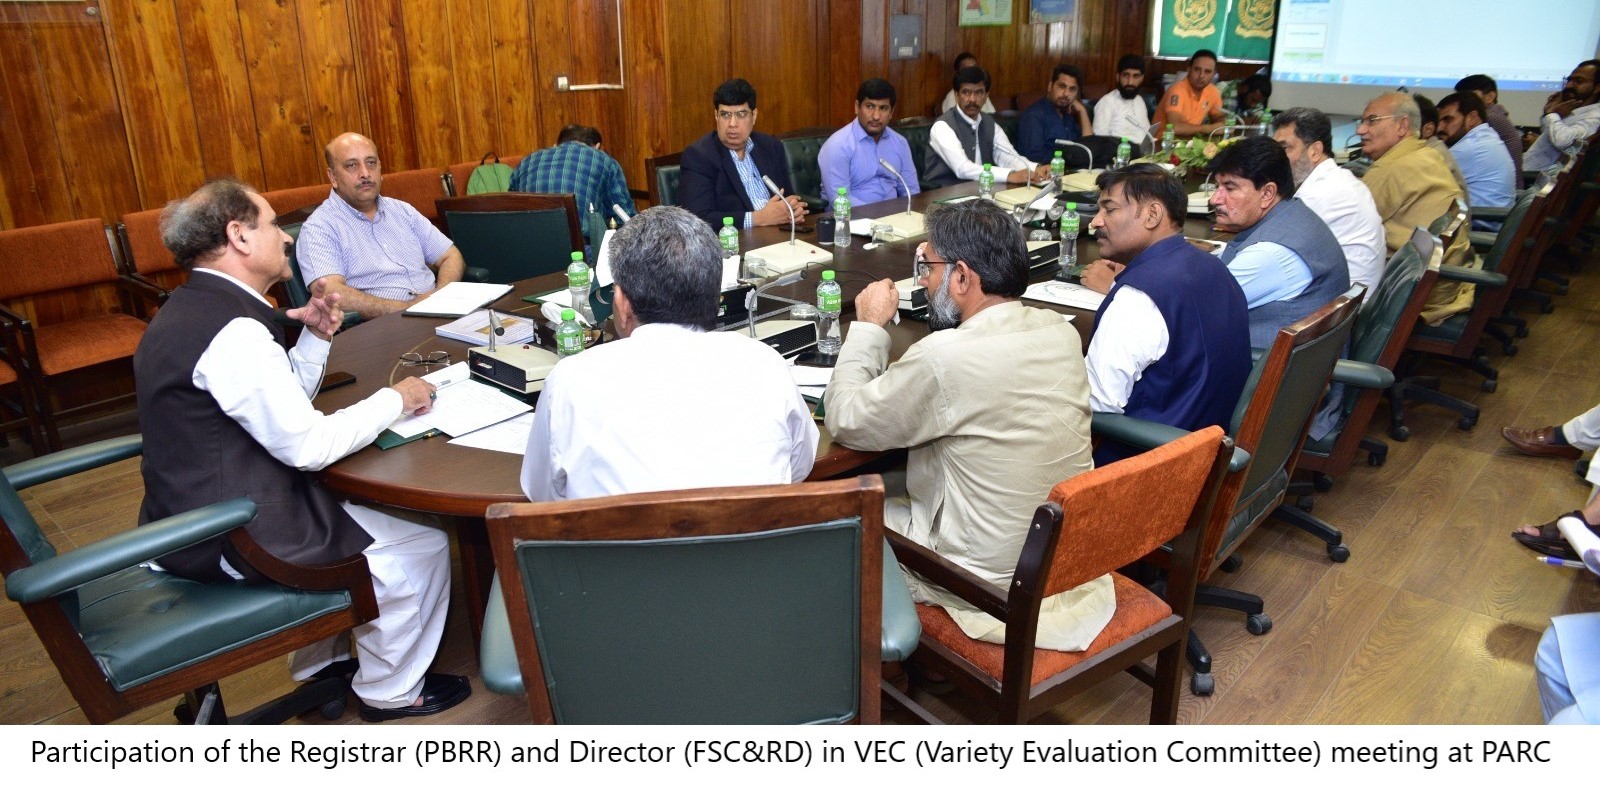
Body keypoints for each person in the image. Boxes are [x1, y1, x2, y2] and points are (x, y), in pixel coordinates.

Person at [137, 179, 466, 722]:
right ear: (239, 236)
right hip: (228, 530)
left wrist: (314, 338)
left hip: (185, 510)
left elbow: (275, 405)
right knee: (421, 544)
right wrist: (397, 398)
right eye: (272, 224)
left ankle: (321, 665)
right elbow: (309, 446)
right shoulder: (233, 331)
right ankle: (390, 691)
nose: (286, 238)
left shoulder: (192, 308)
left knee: (364, 513)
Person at [823, 201, 1110, 651]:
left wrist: (868, 328)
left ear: (961, 276)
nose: (923, 280)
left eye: (929, 267)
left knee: (832, 509)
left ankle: (852, 658)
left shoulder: (945, 357)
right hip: (1062, 562)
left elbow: (845, 419)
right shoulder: (1060, 331)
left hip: (983, 584)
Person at [521, 205, 817, 502]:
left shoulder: (571, 381)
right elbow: (798, 466)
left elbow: (544, 496)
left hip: (622, 534)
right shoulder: (764, 364)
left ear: (622, 304)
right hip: (751, 533)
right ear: (716, 298)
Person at [1079, 164, 1251, 464]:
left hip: (1150, 466)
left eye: (1109, 209)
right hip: (1208, 450)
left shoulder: (1137, 298)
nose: (1096, 221)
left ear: (1152, 215)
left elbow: (1096, 404)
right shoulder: (1214, 266)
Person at [296, 132, 467, 319]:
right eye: (352, 165)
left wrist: (440, 297)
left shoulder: (402, 210)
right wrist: (408, 308)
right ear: (333, 177)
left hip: (439, 313)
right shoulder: (320, 227)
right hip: (384, 326)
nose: (365, 173)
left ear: (380, 168)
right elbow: (330, 293)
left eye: (371, 162)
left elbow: (451, 255)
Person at [1206, 136, 1350, 349]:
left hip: (1264, 365)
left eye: (1230, 188)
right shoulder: (1293, 213)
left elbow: (1194, 308)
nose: (1215, 199)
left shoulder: (1269, 254)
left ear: (1267, 193)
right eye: (1217, 186)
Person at [1358, 92, 1477, 324]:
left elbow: (1339, 228)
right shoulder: (1427, 153)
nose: (1360, 130)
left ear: (1402, 125)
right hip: (1443, 285)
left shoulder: (1391, 168)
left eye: (1372, 121)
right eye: (1362, 122)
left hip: (1413, 294)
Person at [1272, 107, 1388, 292]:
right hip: (1348, 296)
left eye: (1284, 148)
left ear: (1315, 151)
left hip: (1340, 303)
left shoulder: (1320, 193)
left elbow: (1269, 250)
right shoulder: (1339, 178)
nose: (1275, 159)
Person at [679, 78, 806, 230]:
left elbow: (787, 198)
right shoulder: (699, 156)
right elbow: (697, 219)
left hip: (780, 233)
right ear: (716, 116)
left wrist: (793, 210)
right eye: (725, 114)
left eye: (741, 114)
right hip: (736, 240)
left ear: (754, 115)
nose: (732, 124)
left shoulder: (771, 146)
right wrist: (758, 218)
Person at [924, 65, 1049, 189]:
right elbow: (962, 168)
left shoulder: (989, 123)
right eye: (966, 92)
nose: (972, 99)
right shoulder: (942, 126)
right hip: (943, 195)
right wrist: (1009, 175)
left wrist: (1035, 168)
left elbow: (1008, 156)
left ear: (986, 96)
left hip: (981, 191)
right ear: (956, 95)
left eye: (979, 93)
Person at [508, 124, 636, 230]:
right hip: (580, 248)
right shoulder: (604, 160)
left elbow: (509, 210)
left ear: (556, 145)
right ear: (597, 147)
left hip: (527, 244)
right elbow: (626, 219)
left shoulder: (526, 161)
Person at [818, 78, 921, 205]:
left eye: (883, 108)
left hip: (895, 214)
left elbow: (911, 191)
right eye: (870, 106)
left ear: (891, 112)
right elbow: (840, 201)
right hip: (852, 216)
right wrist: (879, 215)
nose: (876, 116)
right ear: (857, 107)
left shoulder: (900, 143)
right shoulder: (837, 146)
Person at [1436, 91, 1515, 230]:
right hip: (1494, 222)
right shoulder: (1487, 137)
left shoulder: (1468, 148)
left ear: (1472, 118)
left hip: (1479, 226)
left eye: (1447, 120)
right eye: (1439, 121)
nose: (1440, 128)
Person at [1525, 60, 1600, 172]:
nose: (1569, 85)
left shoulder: (1595, 117)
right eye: (1568, 80)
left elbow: (1563, 141)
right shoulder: (1574, 110)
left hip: (1537, 178)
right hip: (1527, 169)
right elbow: (1552, 135)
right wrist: (1548, 114)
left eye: (1578, 81)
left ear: (1597, 87)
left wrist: (1552, 114)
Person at [1455, 74, 1525, 188]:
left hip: (1504, 190)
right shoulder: (1497, 113)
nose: (1460, 103)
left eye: (1468, 96)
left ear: (1490, 97)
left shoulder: (1489, 118)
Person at [1016, 64, 1094, 163]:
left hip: (1073, 169)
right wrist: (1072, 156)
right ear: (1050, 86)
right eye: (1062, 86)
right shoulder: (1034, 115)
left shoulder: (1068, 115)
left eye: (1072, 89)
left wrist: (1082, 111)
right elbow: (1034, 157)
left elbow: (1088, 148)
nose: (1066, 94)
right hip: (1049, 171)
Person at [1152, 49, 1226, 136]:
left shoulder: (1212, 91)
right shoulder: (1177, 91)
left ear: (1214, 74)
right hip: (1163, 141)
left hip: (1189, 140)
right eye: (1197, 70)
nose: (1201, 76)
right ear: (1189, 69)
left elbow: (1218, 116)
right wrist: (1209, 128)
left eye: (1207, 72)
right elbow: (1176, 127)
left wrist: (1222, 124)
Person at [1415, 95, 1471, 196]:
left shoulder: (1431, 157)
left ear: (1428, 130)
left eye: (1405, 126)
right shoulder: (1432, 149)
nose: (1440, 128)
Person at [1093, 54, 1153, 143]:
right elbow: (1100, 140)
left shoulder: (1139, 100)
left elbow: (1147, 133)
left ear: (1142, 79)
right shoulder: (1107, 102)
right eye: (1126, 75)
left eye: (1136, 76)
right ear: (1118, 77)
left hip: (1145, 150)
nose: (1130, 82)